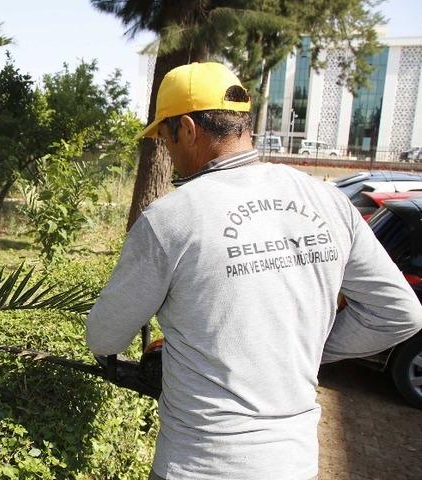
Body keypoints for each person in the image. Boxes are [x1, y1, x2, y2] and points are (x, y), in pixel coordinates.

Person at [86, 62, 422, 480]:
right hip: (294, 464)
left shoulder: (170, 218)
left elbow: (103, 336)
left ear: (187, 128)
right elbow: (400, 312)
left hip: (198, 465)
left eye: (165, 137)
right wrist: (301, 350)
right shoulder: (328, 200)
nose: (166, 152)